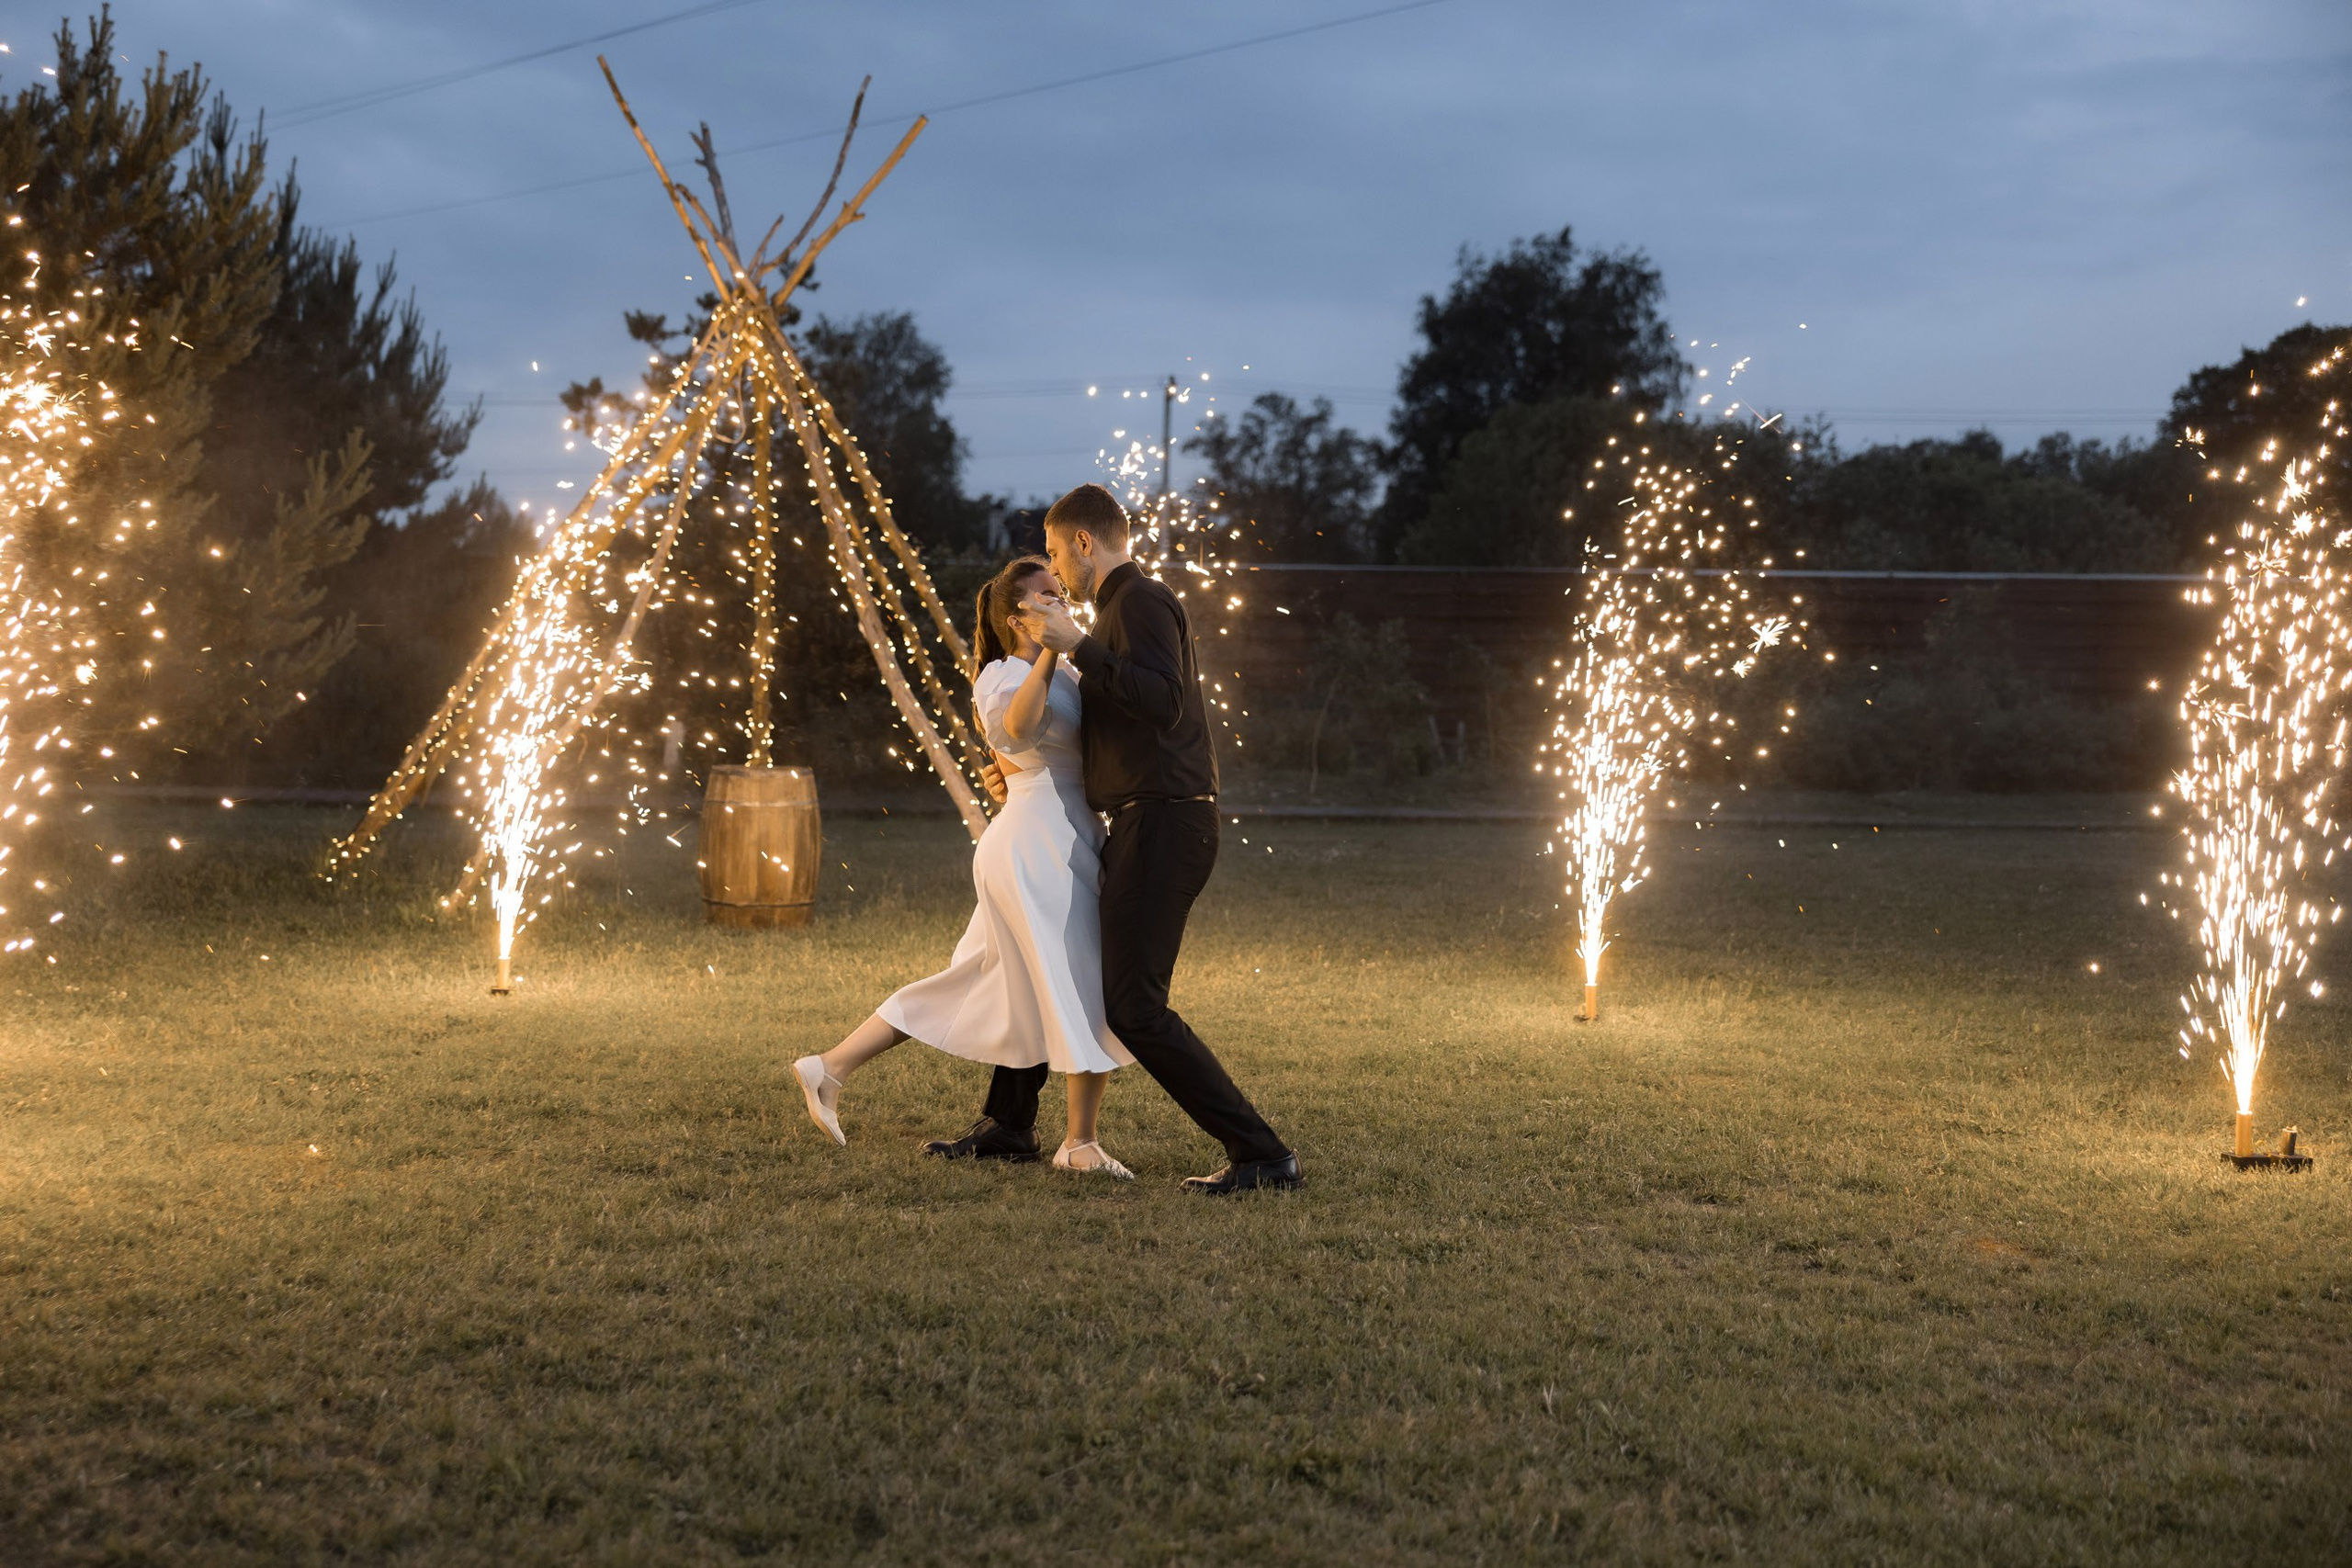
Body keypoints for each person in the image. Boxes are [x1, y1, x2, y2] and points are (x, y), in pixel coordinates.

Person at [923, 483, 1304, 1195]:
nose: (1058, 575)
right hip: (1141, 818)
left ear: (1084, 543)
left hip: (1166, 820)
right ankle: (1011, 1121)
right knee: (1070, 959)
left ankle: (1262, 1153)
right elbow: (1112, 721)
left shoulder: (1141, 601)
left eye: (1058, 553)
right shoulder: (1117, 615)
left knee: (1134, 1006)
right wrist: (1013, 769)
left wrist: (1080, 649)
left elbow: (1163, 701)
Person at [790, 554, 1136, 1178]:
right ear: (1014, 616)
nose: (1060, 602)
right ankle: (1079, 1142)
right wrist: (1053, 651)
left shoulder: (1069, 675)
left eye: (1062, 593)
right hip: (1035, 847)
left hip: (1067, 838)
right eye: (1046, 596)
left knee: (978, 980)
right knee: (1085, 980)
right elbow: (1018, 731)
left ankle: (831, 1065)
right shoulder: (1002, 673)